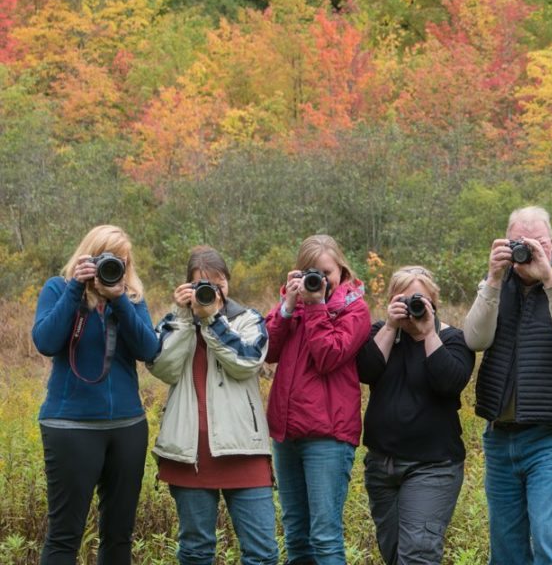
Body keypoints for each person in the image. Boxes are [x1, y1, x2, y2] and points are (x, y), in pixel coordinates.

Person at [462, 205, 552, 565]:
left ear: (551, 242)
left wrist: (550, 280)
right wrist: (492, 279)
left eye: (538, 242)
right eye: (521, 242)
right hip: (501, 435)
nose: (530, 250)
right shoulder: (496, 282)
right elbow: (474, 338)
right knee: (506, 552)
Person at [31, 224, 159, 564]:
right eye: (107, 259)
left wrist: (119, 301)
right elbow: (45, 342)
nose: (114, 267)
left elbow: (149, 348)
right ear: (88, 255)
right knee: (64, 536)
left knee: (119, 535)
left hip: (127, 426)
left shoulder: (130, 298)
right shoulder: (58, 289)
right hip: (70, 426)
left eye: (122, 261)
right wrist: (76, 288)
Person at [148, 246, 277, 565]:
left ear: (228, 283)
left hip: (243, 448)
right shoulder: (175, 322)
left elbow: (246, 362)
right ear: (187, 286)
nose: (211, 291)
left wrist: (213, 321)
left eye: (218, 283)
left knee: (262, 554)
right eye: (202, 284)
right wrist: (182, 317)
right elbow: (162, 367)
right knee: (195, 551)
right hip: (189, 450)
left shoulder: (248, 319)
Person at [357, 266, 476, 564]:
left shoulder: (453, 339)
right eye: (404, 298)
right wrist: (389, 327)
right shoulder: (381, 335)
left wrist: (427, 333)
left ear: (433, 300)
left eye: (419, 299)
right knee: (394, 554)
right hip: (381, 465)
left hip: (432, 466)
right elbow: (366, 370)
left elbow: (449, 382)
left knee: (418, 555)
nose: (412, 305)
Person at [265, 234, 372, 565]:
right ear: (298, 273)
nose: (320, 280)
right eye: (312, 273)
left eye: (327, 273)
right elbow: (266, 351)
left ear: (340, 270)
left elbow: (328, 355)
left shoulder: (355, 309)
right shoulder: (293, 305)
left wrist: (314, 307)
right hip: (287, 433)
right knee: (296, 533)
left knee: (324, 536)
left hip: (328, 436)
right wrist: (287, 307)